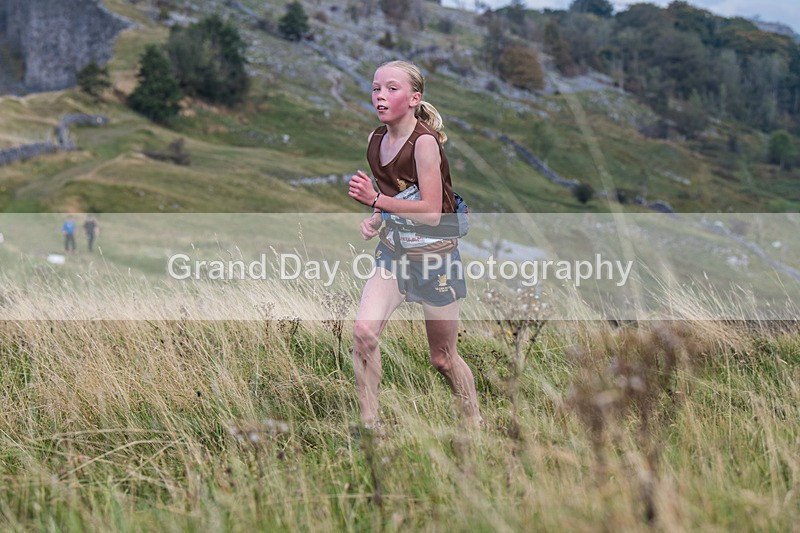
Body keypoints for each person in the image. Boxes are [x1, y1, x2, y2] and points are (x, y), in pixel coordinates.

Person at [348, 60, 481, 431]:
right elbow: (395, 194)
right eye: (376, 88)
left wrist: (375, 201)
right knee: (363, 334)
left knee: (443, 358)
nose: (380, 96)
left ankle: (474, 425)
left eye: (392, 88)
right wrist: (376, 219)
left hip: (436, 259)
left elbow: (432, 213)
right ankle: (370, 429)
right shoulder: (375, 140)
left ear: (414, 98)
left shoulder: (424, 144)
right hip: (394, 254)